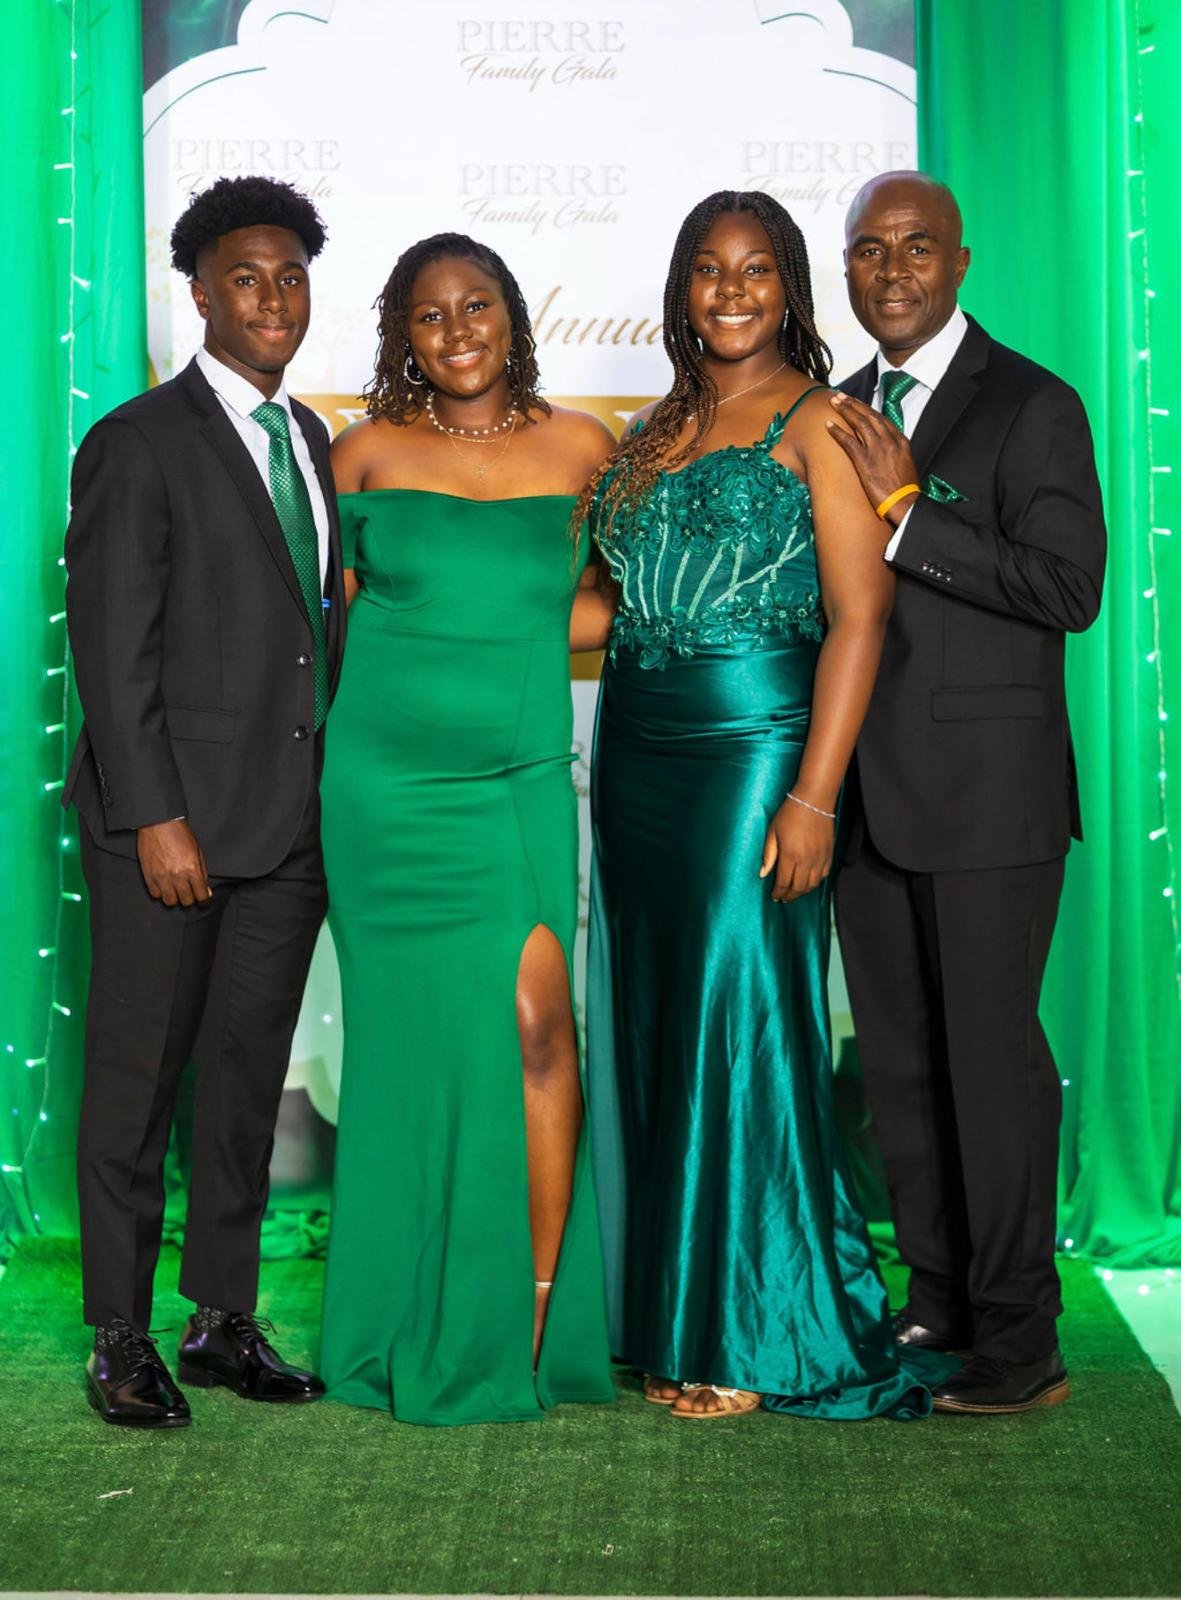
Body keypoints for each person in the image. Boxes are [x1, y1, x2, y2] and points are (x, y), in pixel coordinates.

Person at [577, 190, 941, 1420]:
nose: (728, 291)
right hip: (634, 750)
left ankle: (746, 1326)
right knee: (654, 1017)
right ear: (680, 287)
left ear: (788, 287)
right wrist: (432, 613)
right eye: (706, 268)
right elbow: (610, 606)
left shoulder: (820, 420)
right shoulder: (651, 429)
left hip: (751, 752)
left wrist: (814, 797)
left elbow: (861, 616)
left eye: (754, 270)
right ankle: (665, 1312)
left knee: (737, 1015)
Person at [319, 232, 617, 1425]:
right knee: (408, 1055)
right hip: (383, 788)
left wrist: (506, 636)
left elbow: (611, 604)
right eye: (429, 314)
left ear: (512, 315)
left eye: (476, 305)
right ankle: (401, 1314)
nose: (456, 330)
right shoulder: (360, 452)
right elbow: (338, 624)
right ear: (402, 333)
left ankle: (535, 1315)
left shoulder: (584, 446)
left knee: (539, 1025)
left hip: (515, 776)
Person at [64, 176, 345, 1427]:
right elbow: (111, 648)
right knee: (136, 1086)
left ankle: (222, 1316)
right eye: (245, 277)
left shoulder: (314, 439)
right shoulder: (138, 441)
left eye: (289, 276)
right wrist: (154, 816)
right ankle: (120, 1337)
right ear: (197, 293)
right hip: (168, 831)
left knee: (243, 1082)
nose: (272, 297)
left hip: (288, 826)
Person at [827, 171, 1106, 1414]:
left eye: (915, 247)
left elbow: (1065, 587)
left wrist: (906, 506)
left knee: (989, 1066)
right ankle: (937, 1292)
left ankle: (1018, 1334)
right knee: (897, 1064)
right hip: (863, 797)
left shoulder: (1032, 403)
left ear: (958, 262)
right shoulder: (836, 408)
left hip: (989, 800)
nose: (890, 269)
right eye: (868, 249)